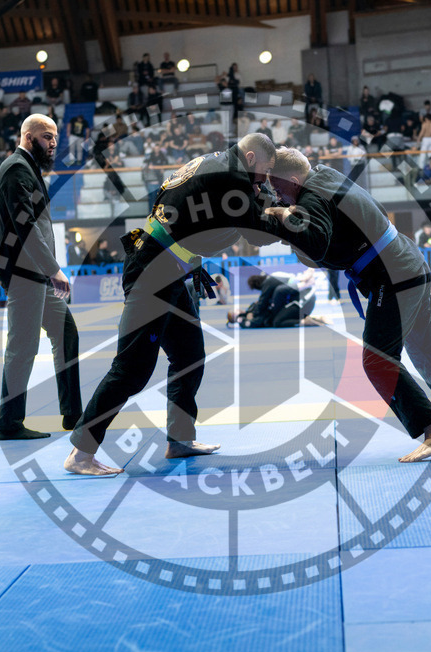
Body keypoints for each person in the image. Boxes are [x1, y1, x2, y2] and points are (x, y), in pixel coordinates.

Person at [67, 133, 277, 475]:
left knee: (189, 355)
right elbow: (256, 233)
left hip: (167, 264)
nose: (264, 180)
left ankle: (179, 439)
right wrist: (283, 209)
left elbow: (178, 215)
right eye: (264, 171)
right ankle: (81, 452)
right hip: (153, 271)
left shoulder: (214, 163)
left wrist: (191, 262)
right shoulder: (232, 175)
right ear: (251, 158)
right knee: (131, 369)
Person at [264, 147, 431, 462]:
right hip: (410, 265)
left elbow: (316, 252)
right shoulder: (325, 174)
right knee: (429, 350)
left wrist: (281, 220)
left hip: (393, 277)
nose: (276, 193)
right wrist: (286, 207)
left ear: (296, 180)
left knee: (377, 360)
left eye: (278, 186)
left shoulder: (313, 200)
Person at [0, 114, 83, 443]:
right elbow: (24, 227)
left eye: (55, 136)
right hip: (25, 273)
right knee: (22, 346)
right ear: (29, 137)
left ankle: (73, 413)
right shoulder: (17, 169)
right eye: (47, 137)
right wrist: (54, 269)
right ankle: (10, 422)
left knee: (65, 331)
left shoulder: (27, 169)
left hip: (33, 273)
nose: (53, 143)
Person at [229, 272, 327, 328]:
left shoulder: (268, 285)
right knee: (278, 318)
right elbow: (261, 304)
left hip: (297, 296)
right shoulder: (246, 317)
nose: (237, 310)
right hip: (294, 293)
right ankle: (310, 320)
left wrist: (254, 313)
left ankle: (306, 282)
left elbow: (262, 301)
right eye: (235, 313)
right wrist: (248, 316)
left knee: (279, 292)